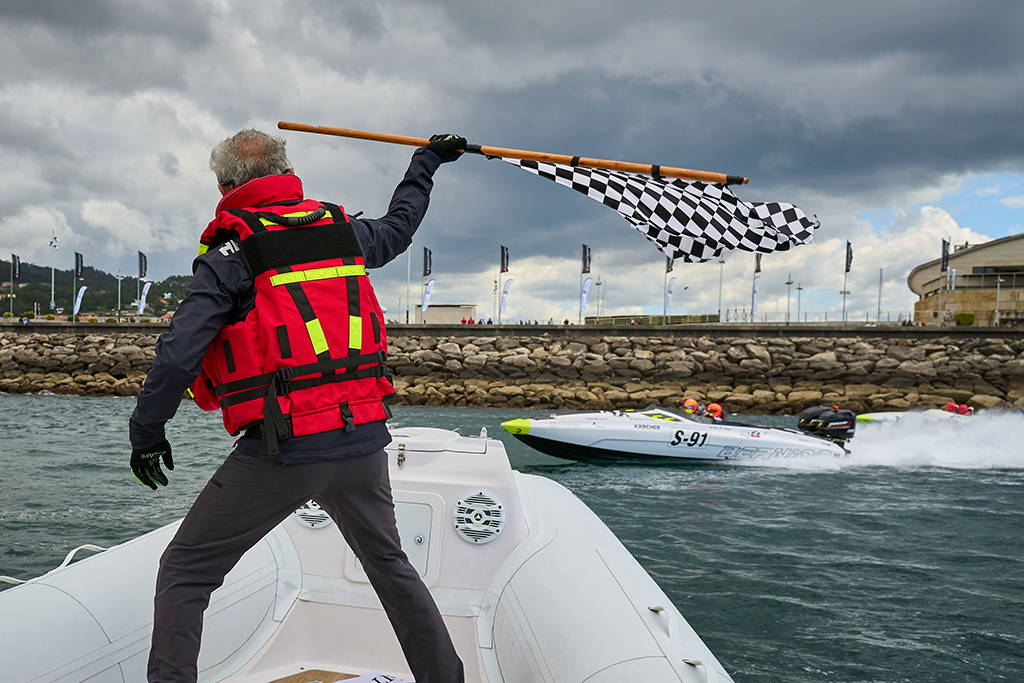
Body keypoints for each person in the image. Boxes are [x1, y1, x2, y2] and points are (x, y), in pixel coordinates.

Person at [128, 129, 467, 683]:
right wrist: (426, 162)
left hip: (283, 451)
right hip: (363, 440)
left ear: (225, 185)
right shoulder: (344, 231)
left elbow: (178, 355)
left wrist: (147, 432)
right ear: (286, 171)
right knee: (389, 567)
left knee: (185, 572)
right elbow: (400, 226)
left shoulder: (230, 254)